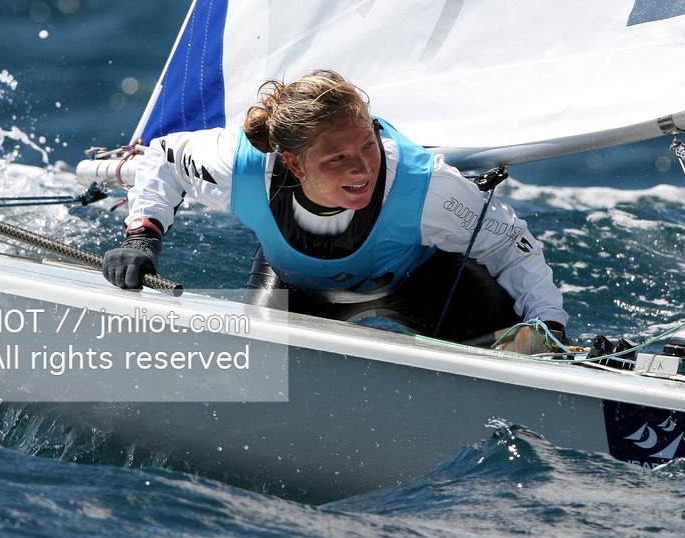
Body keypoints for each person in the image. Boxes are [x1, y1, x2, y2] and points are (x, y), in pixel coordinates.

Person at [102, 70, 566, 353]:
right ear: (294, 163)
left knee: (520, 347)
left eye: (368, 145)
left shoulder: (426, 188)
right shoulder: (240, 167)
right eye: (337, 159)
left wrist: (547, 324)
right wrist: (143, 236)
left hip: (423, 284)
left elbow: (510, 244)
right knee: (256, 371)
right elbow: (162, 156)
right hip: (297, 286)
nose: (363, 168)